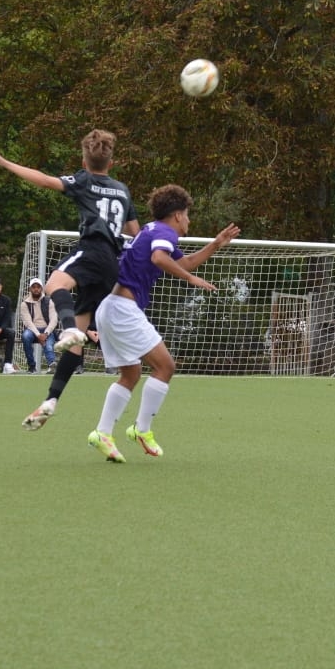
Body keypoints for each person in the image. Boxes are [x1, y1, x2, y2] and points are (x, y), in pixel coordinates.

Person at [0, 129, 139, 428]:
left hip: (92, 250)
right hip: (112, 265)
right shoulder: (122, 190)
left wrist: (5, 162)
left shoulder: (83, 180)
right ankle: (51, 400)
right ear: (111, 162)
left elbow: (44, 180)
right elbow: (135, 232)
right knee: (76, 343)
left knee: (54, 285)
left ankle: (68, 330)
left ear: (84, 161)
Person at [86, 184, 239, 462]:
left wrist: (216, 244)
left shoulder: (152, 230)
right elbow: (160, 258)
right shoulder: (165, 233)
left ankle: (103, 433)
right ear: (178, 215)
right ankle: (141, 429)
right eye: (187, 215)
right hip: (122, 310)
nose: (188, 221)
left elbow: (186, 263)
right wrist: (191, 280)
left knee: (131, 373)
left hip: (110, 307)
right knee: (165, 366)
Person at [18, 277, 58, 373]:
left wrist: (46, 333)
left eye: (38, 287)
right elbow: (28, 322)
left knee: (48, 345)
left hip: (47, 329)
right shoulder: (24, 304)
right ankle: (32, 366)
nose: (36, 289)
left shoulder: (49, 301)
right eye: (34, 287)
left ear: (42, 289)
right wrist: (38, 335)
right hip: (32, 330)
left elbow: (54, 320)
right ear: (30, 289)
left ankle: (52, 364)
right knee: (25, 336)